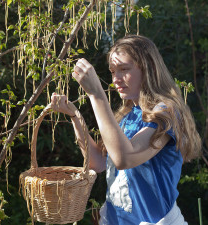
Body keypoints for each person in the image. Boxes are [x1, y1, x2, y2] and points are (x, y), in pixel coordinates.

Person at [50, 35, 202, 225]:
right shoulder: (128, 115)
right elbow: (97, 163)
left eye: (123, 69)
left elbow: (125, 158)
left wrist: (96, 94)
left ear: (148, 69)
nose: (116, 79)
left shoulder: (166, 113)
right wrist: (74, 116)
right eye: (113, 72)